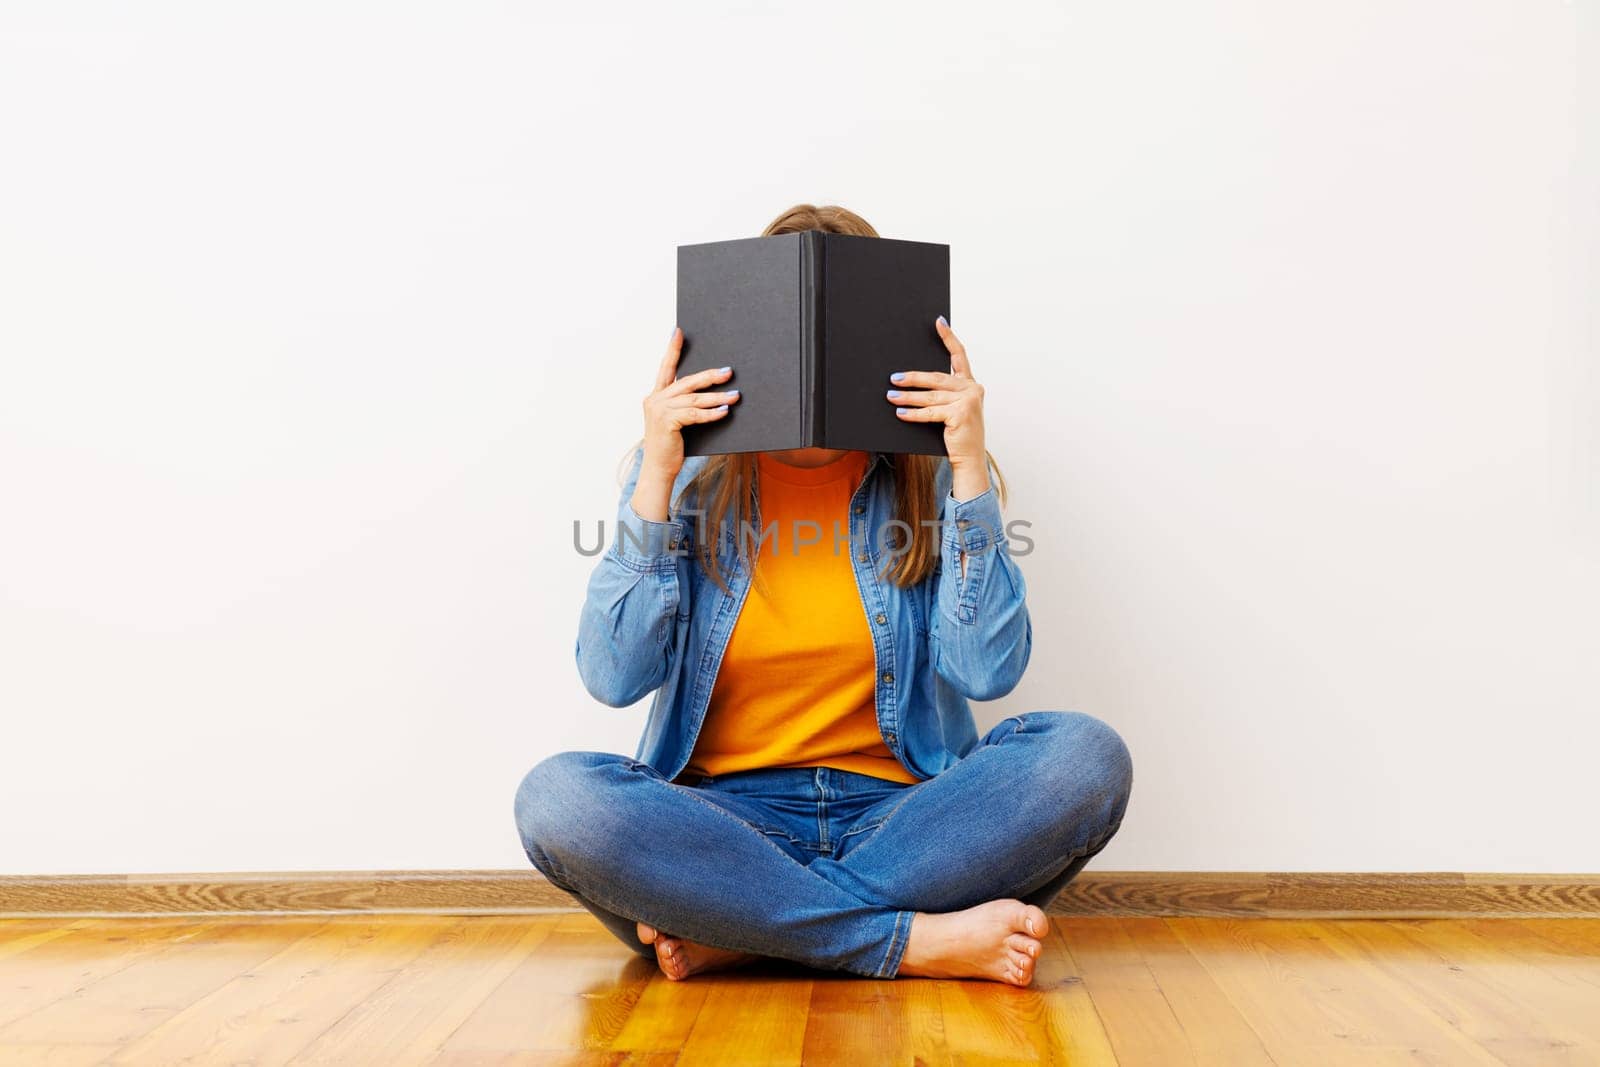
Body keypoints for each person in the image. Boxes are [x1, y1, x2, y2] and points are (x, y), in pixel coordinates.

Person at [514, 204, 1132, 985]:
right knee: (560, 801)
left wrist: (969, 467)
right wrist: (660, 477)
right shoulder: (688, 479)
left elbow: (986, 673)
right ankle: (910, 942)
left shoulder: (930, 475)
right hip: (727, 827)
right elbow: (613, 675)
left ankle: (746, 929)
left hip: (904, 819)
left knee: (1083, 756)